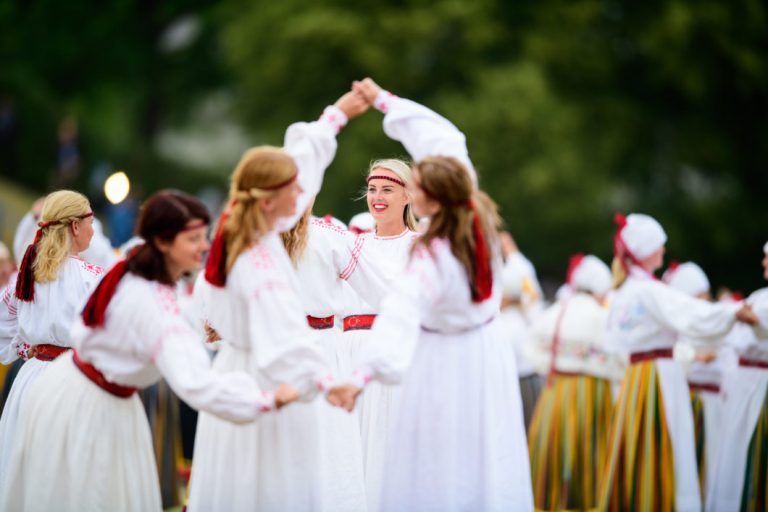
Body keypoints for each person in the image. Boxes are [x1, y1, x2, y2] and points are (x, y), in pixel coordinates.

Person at [0, 190, 297, 512]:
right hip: (88, 401)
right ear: (164, 243)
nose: (204, 246)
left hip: (68, 388)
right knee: (84, 494)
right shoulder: (130, 288)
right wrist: (267, 399)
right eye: (194, 238)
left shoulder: (122, 277)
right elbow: (194, 380)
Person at [328, 79, 534, 512]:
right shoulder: (474, 220)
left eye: (413, 185)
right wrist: (384, 100)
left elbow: (400, 313)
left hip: (442, 361)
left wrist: (361, 377)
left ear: (425, 196)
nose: (409, 190)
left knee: (437, 465)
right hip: (487, 355)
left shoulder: (432, 254)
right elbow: (447, 139)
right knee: (486, 456)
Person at [186, 90, 370, 512]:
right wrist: (327, 383)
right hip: (265, 383)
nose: (302, 196)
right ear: (270, 201)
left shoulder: (244, 232)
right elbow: (283, 341)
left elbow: (299, 159)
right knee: (267, 489)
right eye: (294, 192)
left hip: (242, 368)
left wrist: (336, 116)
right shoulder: (260, 262)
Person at [599, 213, 757, 512]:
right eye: (659, 246)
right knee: (667, 444)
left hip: (637, 377)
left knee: (642, 446)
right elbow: (691, 313)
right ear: (646, 251)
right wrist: (732, 312)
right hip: (658, 376)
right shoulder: (647, 291)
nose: (664, 251)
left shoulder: (625, 291)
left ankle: (640, 499)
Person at [0, 190, 104, 486]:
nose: (93, 230)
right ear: (74, 226)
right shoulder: (93, 277)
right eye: (90, 222)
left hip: (32, 378)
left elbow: (2, 319)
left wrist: (25, 349)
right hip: (74, 378)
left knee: (26, 466)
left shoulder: (29, 272)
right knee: (65, 471)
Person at [525, 254, 621, 511]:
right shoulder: (602, 317)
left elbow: (530, 347)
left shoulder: (556, 311)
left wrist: (550, 365)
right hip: (591, 391)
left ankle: (549, 501)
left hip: (556, 389)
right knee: (590, 454)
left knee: (553, 452)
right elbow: (620, 357)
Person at [706, 242, 768, 512]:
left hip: (761, 384)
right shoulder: (758, 295)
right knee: (732, 450)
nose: (764, 263)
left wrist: (753, 322)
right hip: (742, 383)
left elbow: (758, 327)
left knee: (754, 449)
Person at [663, 261, 727, 501]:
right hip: (684, 398)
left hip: (711, 402)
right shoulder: (679, 320)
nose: (705, 299)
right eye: (700, 294)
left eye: (705, 294)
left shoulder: (710, 317)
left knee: (710, 460)